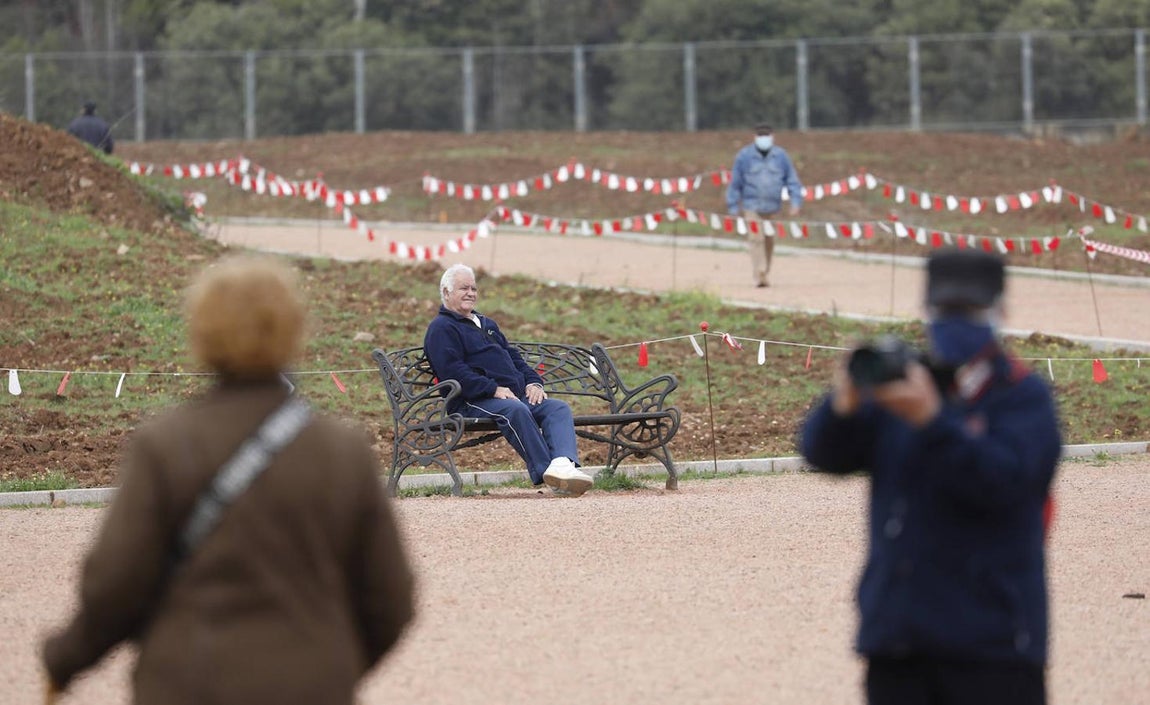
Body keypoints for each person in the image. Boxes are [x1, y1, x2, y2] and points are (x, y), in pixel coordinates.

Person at [41, 255, 415, 704]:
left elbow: (114, 586)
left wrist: (63, 661)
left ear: (201, 332)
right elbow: (391, 599)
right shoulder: (342, 452)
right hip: (308, 686)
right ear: (294, 329)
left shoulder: (165, 444)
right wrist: (329, 667)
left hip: (187, 684)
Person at [799, 248, 1061, 705]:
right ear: (926, 310)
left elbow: (1003, 482)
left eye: (968, 310)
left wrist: (933, 422)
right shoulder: (905, 386)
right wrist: (843, 404)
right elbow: (822, 454)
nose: (953, 323)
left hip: (993, 644)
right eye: (943, 309)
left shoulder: (1021, 397)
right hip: (900, 642)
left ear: (1000, 311)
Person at [424, 263, 594, 496]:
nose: (471, 293)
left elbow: (514, 357)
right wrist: (493, 389)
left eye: (474, 288)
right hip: (472, 400)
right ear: (446, 292)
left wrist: (533, 382)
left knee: (557, 408)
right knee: (515, 410)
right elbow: (453, 372)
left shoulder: (487, 324)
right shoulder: (441, 328)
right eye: (464, 288)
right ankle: (549, 474)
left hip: (513, 395)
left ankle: (562, 466)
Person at [726, 122, 803, 287]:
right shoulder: (744, 157)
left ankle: (765, 272)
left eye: (766, 135)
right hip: (751, 205)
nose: (764, 139)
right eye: (760, 135)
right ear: (755, 137)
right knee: (756, 239)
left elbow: (792, 181)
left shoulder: (781, 157)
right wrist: (733, 205)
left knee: (768, 240)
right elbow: (735, 183)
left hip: (772, 207)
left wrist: (795, 202)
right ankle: (759, 273)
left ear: (772, 137)